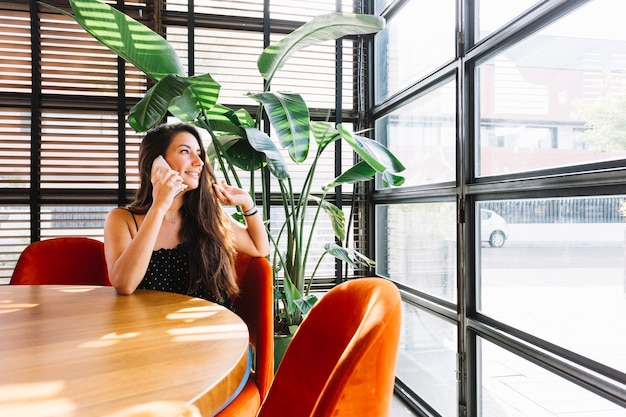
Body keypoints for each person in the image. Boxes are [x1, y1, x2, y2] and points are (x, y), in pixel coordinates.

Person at [103, 123, 270, 309]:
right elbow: (124, 284)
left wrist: (247, 203)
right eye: (185, 151)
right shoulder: (122, 219)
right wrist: (159, 207)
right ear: (156, 162)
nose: (198, 162)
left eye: (198, 153)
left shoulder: (207, 214)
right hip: (151, 332)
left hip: (213, 329)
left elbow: (259, 248)